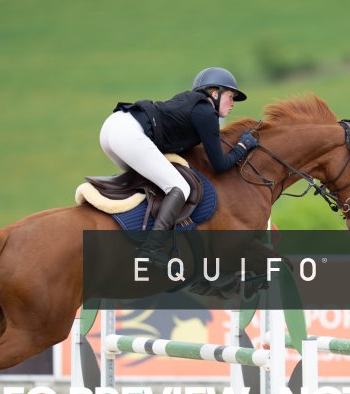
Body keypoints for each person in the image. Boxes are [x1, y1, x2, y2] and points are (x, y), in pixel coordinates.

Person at [99, 67, 259, 265]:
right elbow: (220, 165)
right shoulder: (206, 112)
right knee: (180, 187)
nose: (233, 103)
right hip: (127, 132)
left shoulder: (191, 104)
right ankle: (151, 248)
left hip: (113, 127)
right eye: (230, 96)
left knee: (153, 184)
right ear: (214, 93)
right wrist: (243, 146)